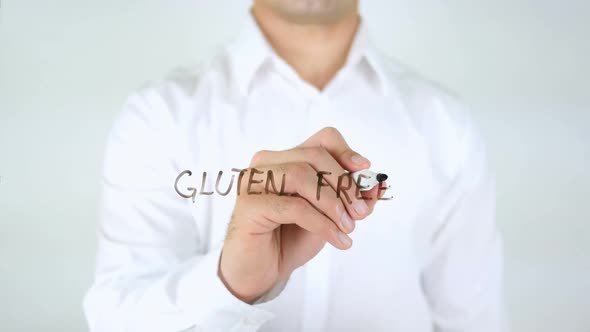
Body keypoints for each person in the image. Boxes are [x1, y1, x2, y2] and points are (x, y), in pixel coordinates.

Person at [83, 0, 507, 331]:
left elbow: (475, 322)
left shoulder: (447, 125)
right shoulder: (159, 116)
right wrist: (231, 283)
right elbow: (115, 319)